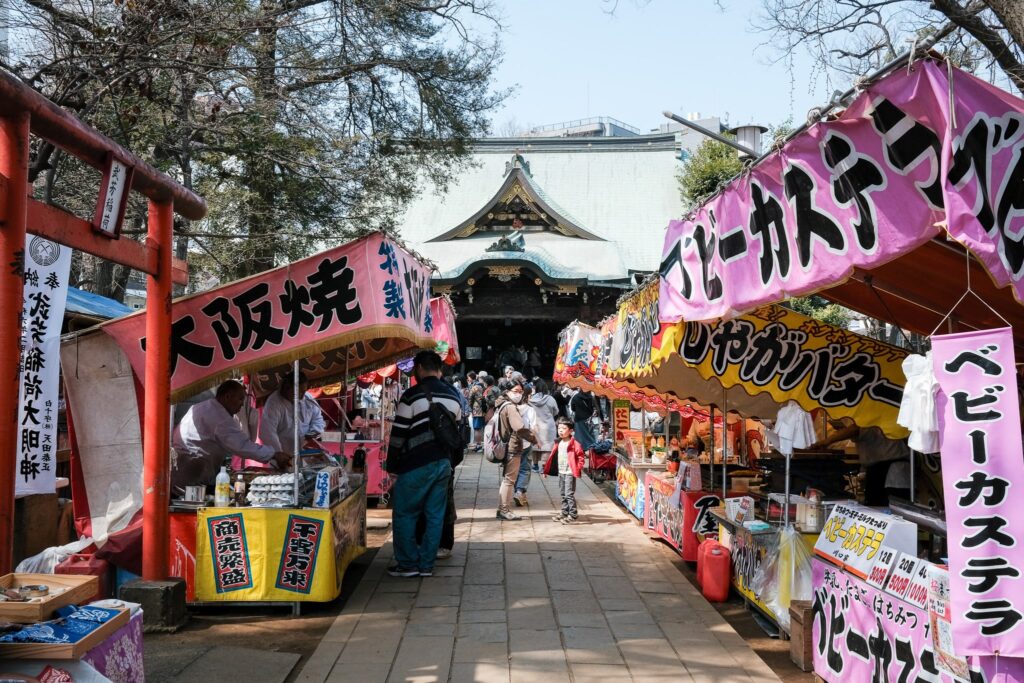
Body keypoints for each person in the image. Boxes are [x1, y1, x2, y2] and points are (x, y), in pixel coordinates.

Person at [386, 351, 463, 577]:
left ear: (419, 368)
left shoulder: (411, 395)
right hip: (442, 464)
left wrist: (392, 465)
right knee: (435, 515)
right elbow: (456, 433)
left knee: (405, 514)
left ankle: (408, 564)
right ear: (439, 368)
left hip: (415, 464)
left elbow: (398, 435)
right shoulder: (454, 395)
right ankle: (427, 565)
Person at [171, 380, 291, 494]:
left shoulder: (203, 406)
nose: (242, 405)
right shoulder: (219, 417)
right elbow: (242, 446)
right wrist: (274, 454)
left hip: (186, 467)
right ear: (227, 397)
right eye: (240, 399)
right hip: (190, 471)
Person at [494, 376, 535, 521]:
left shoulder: (501, 404)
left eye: (520, 391)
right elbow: (519, 427)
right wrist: (534, 439)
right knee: (509, 480)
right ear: (508, 391)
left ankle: (502, 508)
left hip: (506, 446)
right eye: (515, 391)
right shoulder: (510, 407)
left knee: (507, 479)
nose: (519, 394)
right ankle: (504, 509)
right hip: (512, 447)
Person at [259, 372, 326, 456]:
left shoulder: (307, 398)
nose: (302, 396)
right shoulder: (273, 403)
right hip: (283, 454)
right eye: (299, 392)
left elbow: (317, 418)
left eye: (303, 391)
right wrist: (279, 453)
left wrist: (313, 431)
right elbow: (267, 433)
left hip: (305, 451)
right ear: (287, 387)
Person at [544, 417, 587, 524]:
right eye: (559, 428)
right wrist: (545, 470)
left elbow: (581, 457)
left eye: (564, 428)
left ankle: (573, 514)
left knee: (569, 494)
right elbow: (552, 458)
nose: (561, 431)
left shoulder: (575, 444)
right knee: (563, 493)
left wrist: (578, 468)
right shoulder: (558, 442)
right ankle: (564, 512)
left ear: (571, 431)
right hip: (561, 472)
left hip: (570, 473)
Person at [526, 379, 558, 473]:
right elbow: (556, 411)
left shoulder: (530, 400)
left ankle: (535, 465)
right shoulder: (550, 399)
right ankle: (544, 467)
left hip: (535, 425)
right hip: (548, 426)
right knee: (547, 446)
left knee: (535, 445)